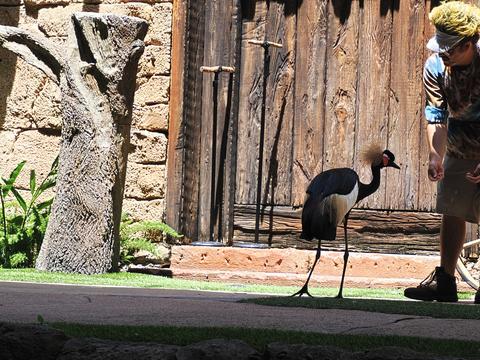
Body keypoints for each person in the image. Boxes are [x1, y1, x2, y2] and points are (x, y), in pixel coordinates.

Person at [404, 1, 480, 303]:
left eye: (450, 49)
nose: (444, 53)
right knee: (452, 208)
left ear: (469, 43)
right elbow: (436, 115)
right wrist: (435, 155)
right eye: (441, 47)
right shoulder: (435, 66)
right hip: (459, 145)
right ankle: (446, 282)